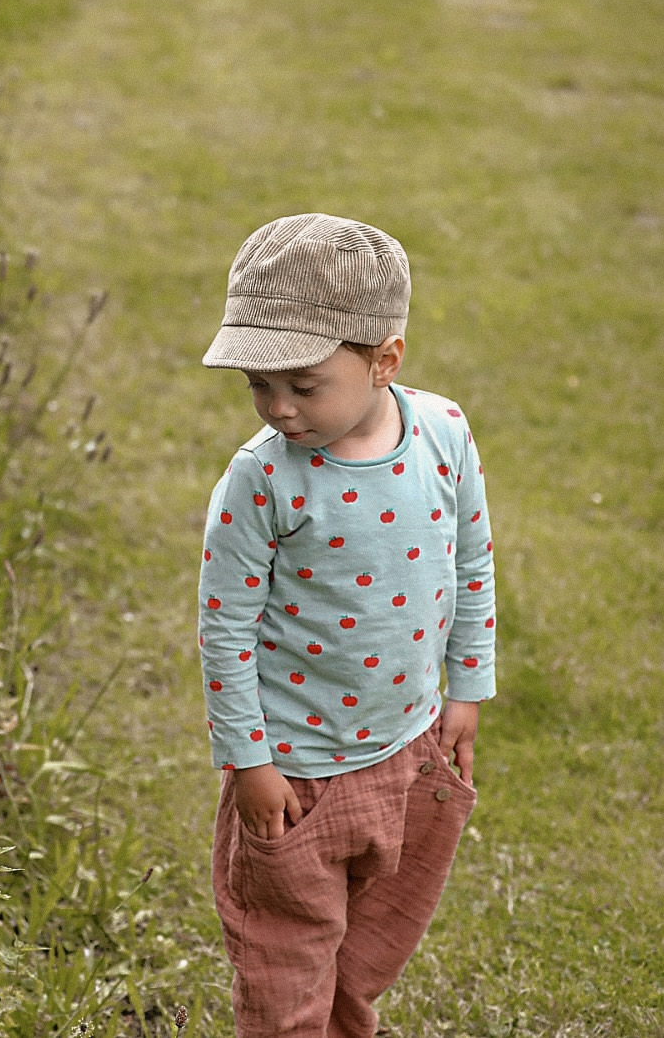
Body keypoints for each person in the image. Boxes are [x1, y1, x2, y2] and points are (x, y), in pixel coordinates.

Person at [196, 213, 496, 1037]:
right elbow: (223, 629)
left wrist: (465, 686)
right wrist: (248, 761)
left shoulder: (443, 433)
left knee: (364, 956)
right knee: (286, 961)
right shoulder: (262, 478)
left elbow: (470, 557)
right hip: (294, 777)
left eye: (302, 383)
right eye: (259, 385)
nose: (278, 408)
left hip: (410, 747)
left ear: (382, 359)